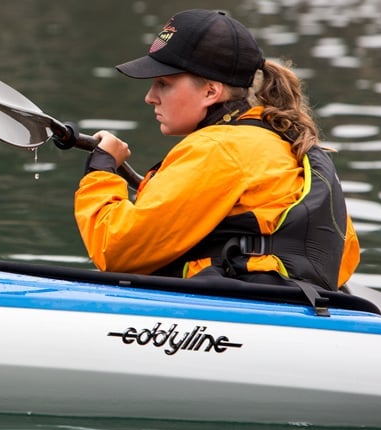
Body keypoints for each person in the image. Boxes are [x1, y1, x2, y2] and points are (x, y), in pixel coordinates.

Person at [74, 9, 360, 291]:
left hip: (242, 312)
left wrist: (102, 169)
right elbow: (345, 259)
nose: (151, 97)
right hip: (296, 304)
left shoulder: (218, 148)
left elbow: (117, 251)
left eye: (164, 84)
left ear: (211, 92)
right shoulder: (283, 140)